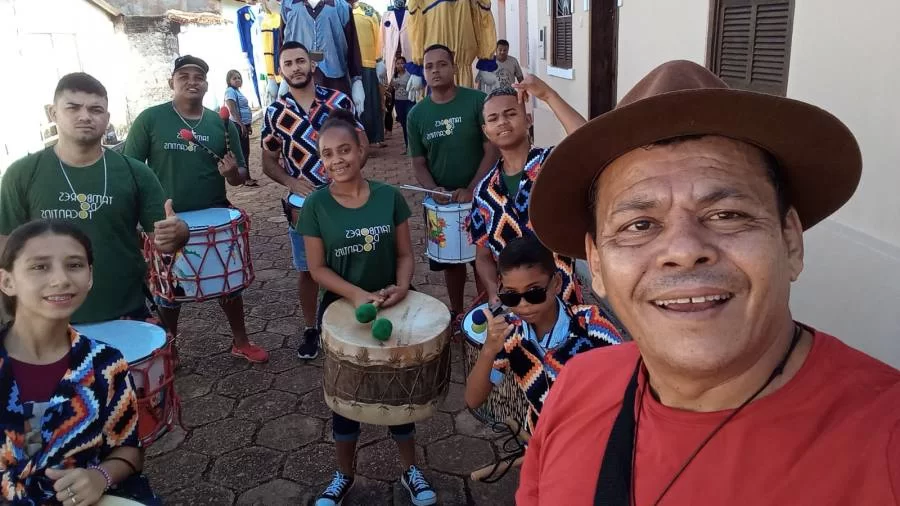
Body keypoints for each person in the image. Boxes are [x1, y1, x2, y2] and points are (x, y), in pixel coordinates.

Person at [517, 60, 900, 505]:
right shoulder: (575, 388)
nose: (683, 249)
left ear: (791, 242)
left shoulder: (886, 442)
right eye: (639, 225)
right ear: (597, 264)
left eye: (727, 215)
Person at [297, 109, 436, 506]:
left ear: (360, 149)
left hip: (392, 304)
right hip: (342, 313)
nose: (337, 159)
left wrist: (402, 287)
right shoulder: (316, 206)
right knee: (346, 396)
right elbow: (317, 269)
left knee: (400, 391)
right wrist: (357, 295)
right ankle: (344, 475)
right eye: (327, 154)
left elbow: (405, 255)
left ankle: (410, 469)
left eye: (344, 150)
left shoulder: (389, 197)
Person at [0, 72, 188, 325]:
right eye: (73, 107)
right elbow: (5, 245)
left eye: (95, 109)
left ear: (107, 119)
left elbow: (166, 240)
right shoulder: (22, 174)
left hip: (124, 312)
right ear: (53, 113)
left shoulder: (136, 173)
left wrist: (179, 232)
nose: (85, 116)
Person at [0, 220, 159, 505]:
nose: (61, 279)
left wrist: (100, 477)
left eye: (74, 265)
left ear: (90, 277)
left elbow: (129, 450)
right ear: (7, 281)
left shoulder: (105, 364)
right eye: (40, 266)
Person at [125, 55, 269, 364]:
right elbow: (130, 170)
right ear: (172, 82)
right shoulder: (150, 119)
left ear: (206, 84)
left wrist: (231, 173)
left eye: (198, 77)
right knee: (169, 292)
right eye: (184, 76)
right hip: (167, 221)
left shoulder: (221, 123)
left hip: (214, 217)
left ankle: (241, 341)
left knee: (229, 284)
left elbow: (241, 174)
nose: (192, 81)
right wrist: (137, 220)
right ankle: (171, 348)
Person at [262, 41, 368, 360]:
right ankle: (312, 328)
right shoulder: (275, 112)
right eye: (288, 63)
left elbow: (362, 145)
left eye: (300, 61)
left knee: (350, 261)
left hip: (343, 199)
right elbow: (268, 162)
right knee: (307, 270)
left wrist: (345, 178)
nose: (295, 68)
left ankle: (351, 320)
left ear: (312, 64)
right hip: (304, 205)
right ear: (281, 70)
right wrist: (291, 181)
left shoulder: (338, 101)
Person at [464, 236, 621, 434]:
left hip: (595, 436)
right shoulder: (510, 333)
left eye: (534, 292)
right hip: (543, 438)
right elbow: (473, 399)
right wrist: (488, 350)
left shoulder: (591, 325)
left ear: (556, 283)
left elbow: (630, 386)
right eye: (511, 295)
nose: (523, 305)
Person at [468, 80, 589, 308]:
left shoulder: (552, 166)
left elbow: (588, 141)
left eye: (511, 113)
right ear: (486, 131)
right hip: (515, 307)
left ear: (528, 119)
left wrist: (548, 95)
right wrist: (494, 292)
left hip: (564, 301)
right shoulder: (484, 192)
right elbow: (483, 257)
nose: (502, 122)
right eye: (493, 118)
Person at [407, 44, 499, 320]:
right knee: (451, 261)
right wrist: (433, 189)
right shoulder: (416, 115)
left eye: (442, 64)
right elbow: (418, 162)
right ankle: (458, 314)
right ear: (424, 72)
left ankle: (487, 313)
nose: (435, 70)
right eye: (429, 66)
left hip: (482, 196)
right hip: (443, 205)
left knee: (483, 258)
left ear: (454, 67)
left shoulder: (477, 101)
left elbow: (492, 149)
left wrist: (473, 188)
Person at [224, 70, 260, 187]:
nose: (237, 80)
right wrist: (241, 124)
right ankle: (245, 178)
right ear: (229, 80)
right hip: (237, 125)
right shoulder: (230, 91)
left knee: (246, 152)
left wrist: (247, 125)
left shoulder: (237, 91)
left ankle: (246, 176)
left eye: (239, 78)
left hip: (243, 125)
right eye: (234, 78)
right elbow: (232, 109)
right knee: (243, 152)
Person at [391, 56, 414, 154]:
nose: (400, 65)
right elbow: (392, 86)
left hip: (408, 101)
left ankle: (412, 147)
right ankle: (408, 147)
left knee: (409, 124)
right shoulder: (395, 76)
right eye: (398, 63)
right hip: (398, 101)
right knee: (403, 124)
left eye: (402, 63)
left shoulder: (409, 75)